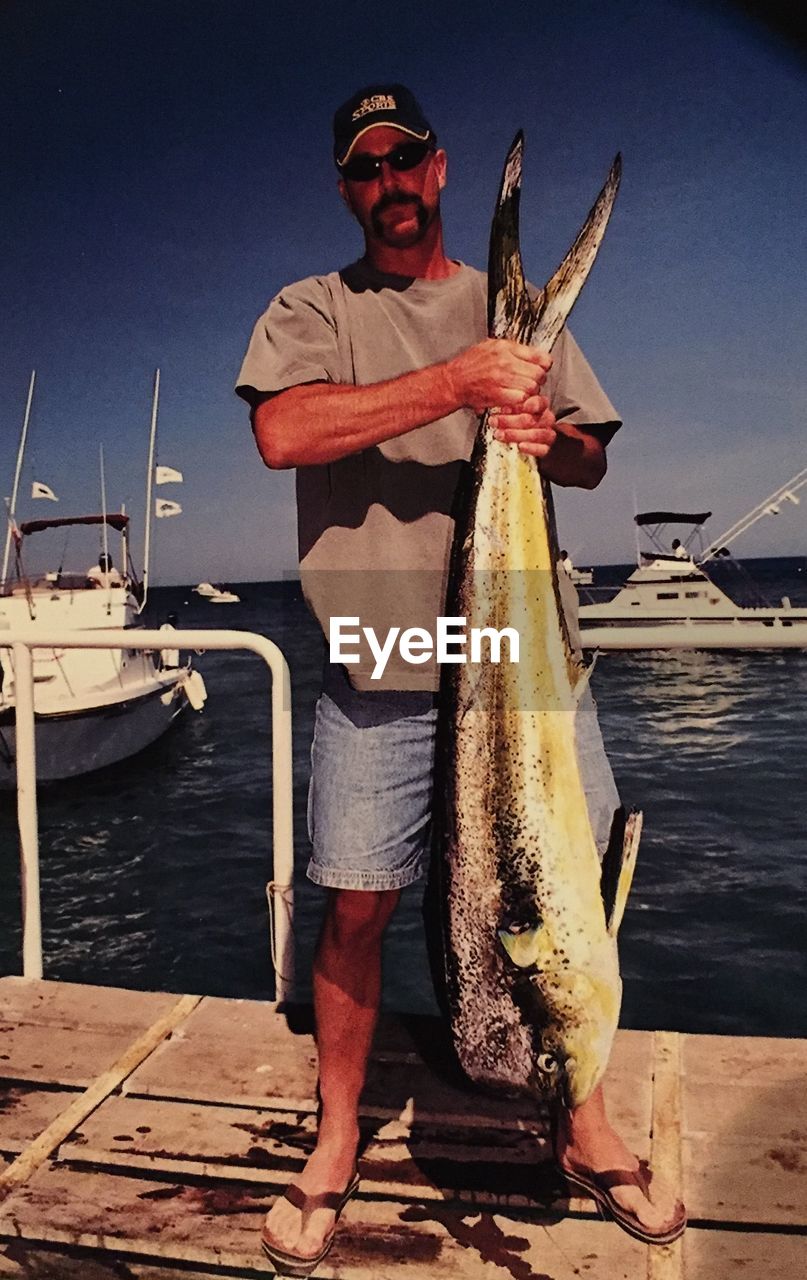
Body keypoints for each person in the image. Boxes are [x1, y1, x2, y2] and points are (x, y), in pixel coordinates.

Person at [237, 83, 685, 1271]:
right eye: (364, 167)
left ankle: (585, 1125)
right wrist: (461, 384)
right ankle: (338, 1137)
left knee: (571, 891)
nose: (387, 182)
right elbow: (282, 432)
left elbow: (588, 457)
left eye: (405, 160)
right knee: (355, 906)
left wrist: (546, 435)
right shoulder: (313, 306)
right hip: (383, 658)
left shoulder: (508, 311)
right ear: (348, 188)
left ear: (438, 172)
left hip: (519, 653)